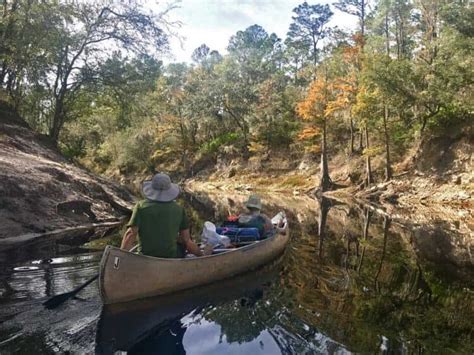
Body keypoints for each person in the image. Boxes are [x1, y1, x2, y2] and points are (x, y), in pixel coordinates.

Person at [120, 173, 203, 258]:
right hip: (171, 257)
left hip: (145, 256)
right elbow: (187, 241)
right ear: (169, 190)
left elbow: (131, 234)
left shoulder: (141, 207)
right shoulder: (179, 209)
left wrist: (119, 256)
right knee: (180, 243)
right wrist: (201, 255)